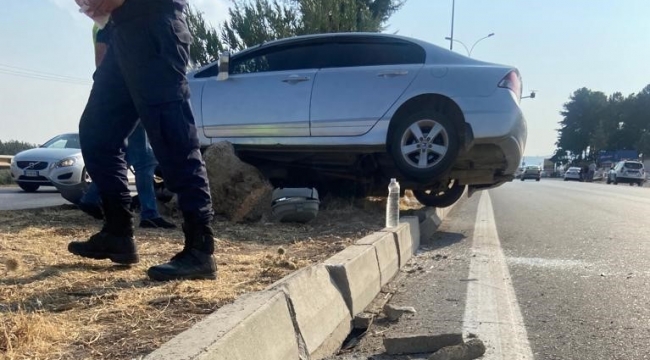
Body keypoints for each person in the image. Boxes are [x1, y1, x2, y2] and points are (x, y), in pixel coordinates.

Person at [69, 0, 217, 281]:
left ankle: (200, 249)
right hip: (120, 31)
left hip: (155, 25)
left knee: (174, 139)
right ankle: (118, 233)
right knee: (97, 133)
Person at [78, 23, 176, 230]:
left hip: (127, 93)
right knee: (144, 160)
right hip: (130, 95)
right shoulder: (112, 25)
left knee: (131, 157)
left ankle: (93, 197)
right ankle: (147, 213)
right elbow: (103, 60)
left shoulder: (107, 24)